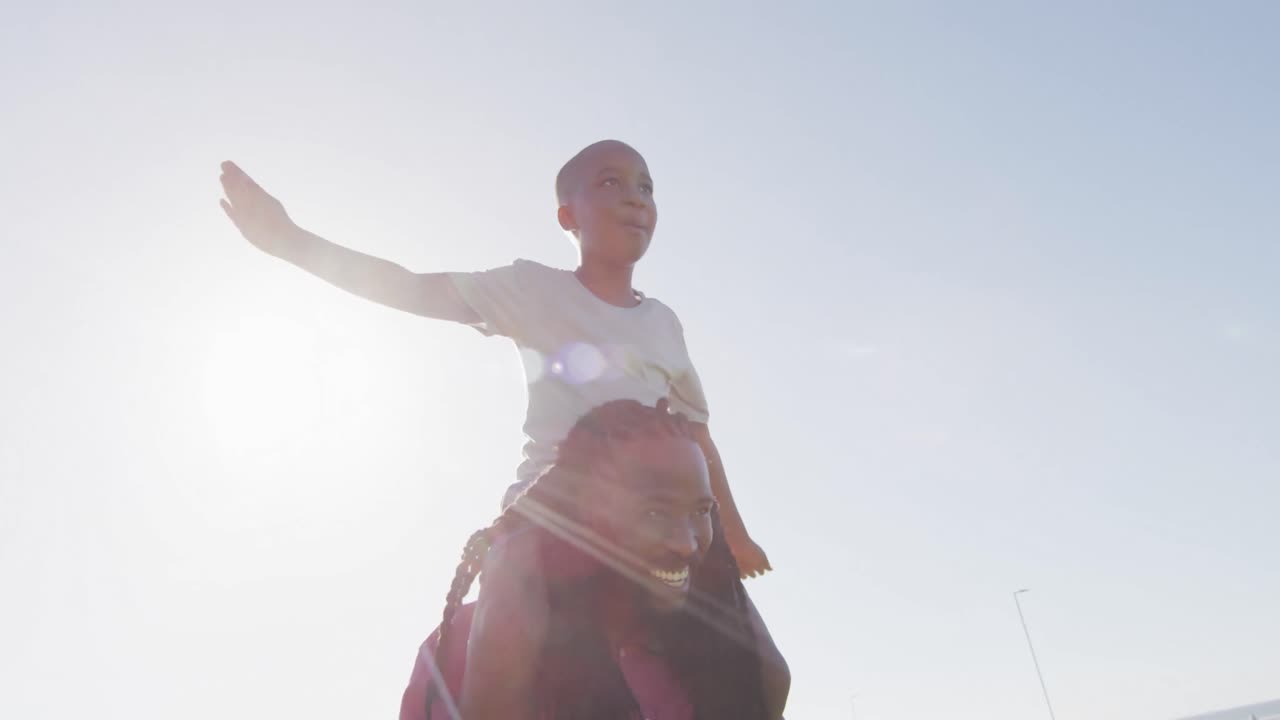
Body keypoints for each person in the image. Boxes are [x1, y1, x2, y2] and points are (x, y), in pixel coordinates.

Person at [218, 140, 771, 577]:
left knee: (767, 672)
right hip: (560, 512)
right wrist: (290, 241)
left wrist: (735, 535)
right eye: (611, 183)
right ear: (566, 216)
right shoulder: (532, 290)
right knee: (516, 634)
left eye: (646, 187)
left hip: (661, 521)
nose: (636, 198)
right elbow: (410, 287)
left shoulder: (664, 324)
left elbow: (696, 437)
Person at [399, 399, 789, 720]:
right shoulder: (459, 645)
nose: (687, 544)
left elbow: (771, 686)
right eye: (655, 512)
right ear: (583, 513)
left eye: (702, 511)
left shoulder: (708, 661)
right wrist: (505, 595)